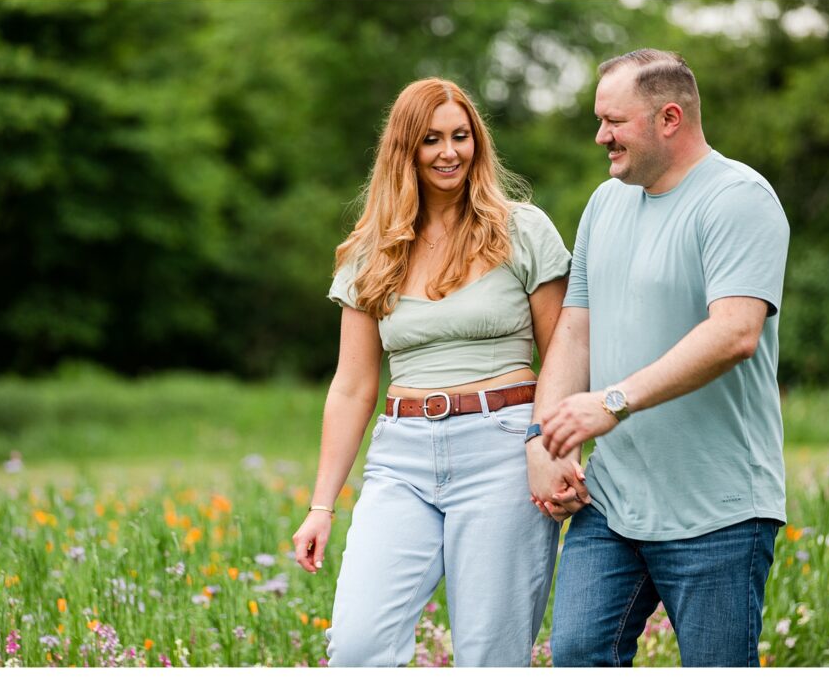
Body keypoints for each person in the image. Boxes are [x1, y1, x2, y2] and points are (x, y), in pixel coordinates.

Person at [291, 77, 584, 667]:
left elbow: (566, 352)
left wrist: (552, 447)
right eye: (431, 139)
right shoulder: (371, 251)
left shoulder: (521, 229)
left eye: (461, 136)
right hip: (401, 454)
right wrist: (321, 505)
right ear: (405, 150)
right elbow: (352, 386)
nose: (449, 152)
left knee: (490, 655)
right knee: (357, 647)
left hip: (502, 446)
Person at [526, 49, 790, 667]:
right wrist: (543, 442)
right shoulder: (605, 203)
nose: (600, 136)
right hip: (612, 502)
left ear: (669, 118)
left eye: (614, 121)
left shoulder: (738, 199)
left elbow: (734, 333)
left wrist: (612, 402)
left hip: (718, 511)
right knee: (579, 655)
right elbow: (575, 332)